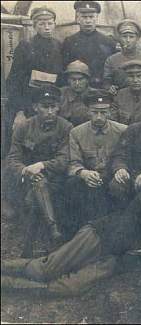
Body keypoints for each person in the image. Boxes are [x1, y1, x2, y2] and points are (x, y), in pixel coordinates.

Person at [1, 165, 141, 297]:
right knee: (45, 270)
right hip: (100, 236)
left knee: (69, 287)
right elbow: (123, 229)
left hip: (117, 256)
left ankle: (8, 284)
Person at [5, 85, 73, 257]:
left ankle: (28, 249)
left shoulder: (66, 127)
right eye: (45, 106)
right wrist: (26, 170)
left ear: (59, 106)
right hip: (27, 179)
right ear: (35, 107)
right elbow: (12, 159)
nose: (50, 111)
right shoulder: (24, 127)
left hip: (56, 180)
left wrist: (42, 165)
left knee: (34, 198)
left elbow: (64, 160)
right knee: (35, 186)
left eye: (53, 106)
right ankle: (53, 233)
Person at [66, 89, 127, 234]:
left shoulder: (123, 130)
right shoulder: (76, 132)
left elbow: (126, 158)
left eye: (104, 112)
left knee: (119, 187)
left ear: (110, 111)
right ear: (88, 111)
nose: (99, 117)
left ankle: (115, 231)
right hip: (89, 178)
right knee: (72, 185)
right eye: (95, 112)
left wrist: (120, 171)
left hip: (112, 176)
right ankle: (75, 233)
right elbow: (73, 162)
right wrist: (83, 173)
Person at [4, 6, 64, 156]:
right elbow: (14, 80)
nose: (47, 27)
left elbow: (61, 79)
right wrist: (19, 110)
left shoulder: (59, 46)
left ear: (54, 24)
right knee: (25, 144)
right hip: (28, 103)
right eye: (42, 24)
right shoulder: (25, 46)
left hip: (51, 103)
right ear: (34, 25)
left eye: (50, 23)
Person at [61, 1, 118, 88]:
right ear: (78, 18)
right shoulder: (69, 41)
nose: (88, 21)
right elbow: (65, 68)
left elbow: (112, 68)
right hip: (77, 87)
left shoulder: (107, 41)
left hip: (101, 87)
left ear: (96, 18)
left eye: (91, 17)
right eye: (84, 17)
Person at [103, 19, 141, 94]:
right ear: (119, 38)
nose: (128, 40)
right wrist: (109, 87)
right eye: (124, 36)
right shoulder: (111, 60)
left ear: (137, 38)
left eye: (131, 37)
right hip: (119, 99)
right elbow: (106, 82)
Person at [59, 60, 95, 126]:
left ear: (87, 80)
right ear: (68, 80)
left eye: (80, 79)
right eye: (73, 79)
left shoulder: (95, 95)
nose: (77, 83)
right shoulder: (61, 94)